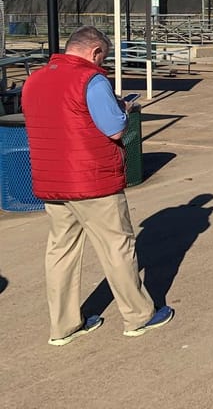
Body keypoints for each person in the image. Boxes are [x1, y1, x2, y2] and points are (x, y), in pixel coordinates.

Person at [21, 26, 175, 346]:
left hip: (52, 179)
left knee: (60, 251)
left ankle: (63, 326)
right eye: (103, 57)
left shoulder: (34, 80)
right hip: (92, 180)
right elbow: (114, 129)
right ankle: (138, 315)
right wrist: (123, 108)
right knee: (117, 247)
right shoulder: (91, 79)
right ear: (94, 52)